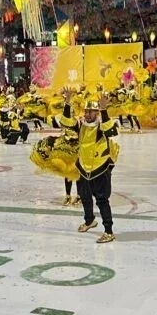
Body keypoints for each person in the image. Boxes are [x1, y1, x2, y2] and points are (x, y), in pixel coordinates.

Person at [61, 92, 118, 244]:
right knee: (84, 196)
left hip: (100, 168)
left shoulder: (102, 124)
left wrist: (105, 109)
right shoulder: (81, 124)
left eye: (91, 111)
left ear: (97, 112)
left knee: (102, 200)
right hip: (83, 168)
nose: (87, 114)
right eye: (86, 111)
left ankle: (108, 231)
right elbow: (66, 122)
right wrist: (67, 103)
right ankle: (89, 220)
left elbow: (111, 130)